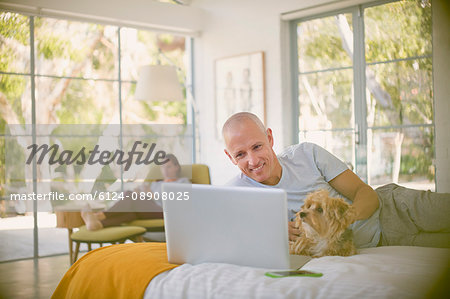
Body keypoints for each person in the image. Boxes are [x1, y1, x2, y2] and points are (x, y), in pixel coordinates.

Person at [222, 112, 450, 248]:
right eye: (240, 154)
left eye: (257, 146)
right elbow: (213, 235)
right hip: (384, 242)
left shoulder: (306, 154)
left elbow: (366, 194)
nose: (252, 160)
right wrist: (267, 230)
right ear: (229, 157)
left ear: (270, 138)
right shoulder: (233, 193)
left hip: (395, 208)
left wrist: (341, 219)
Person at [81, 154, 190, 231]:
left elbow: (180, 201)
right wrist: (140, 194)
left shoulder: (183, 182)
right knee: (131, 213)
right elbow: (147, 200)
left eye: (169, 167)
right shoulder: (156, 183)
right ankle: (98, 224)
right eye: (162, 167)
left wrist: (151, 195)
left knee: (129, 195)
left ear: (176, 167)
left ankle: (101, 215)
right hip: (149, 209)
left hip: (167, 212)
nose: (165, 170)